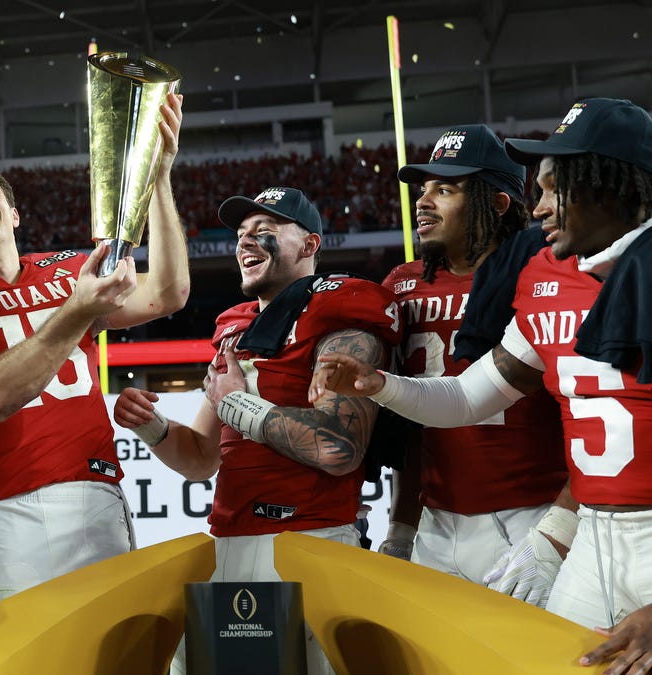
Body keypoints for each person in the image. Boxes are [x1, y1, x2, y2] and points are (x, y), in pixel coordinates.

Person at [309, 98, 652, 675]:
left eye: (552, 187)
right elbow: (470, 397)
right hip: (592, 535)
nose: (537, 206)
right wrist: (380, 384)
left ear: (607, 185)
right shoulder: (544, 275)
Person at [0, 91, 188, 611]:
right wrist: (78, 310)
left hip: (94, 493)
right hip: (6, 509)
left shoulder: (67, 271)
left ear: (14, 215)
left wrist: (158, 179)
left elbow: (168, 292)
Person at [113, 186, 402, 674]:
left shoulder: (340, 311)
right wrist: (153, 427)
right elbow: (203, 457)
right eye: (242, 234)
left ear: (309, 246)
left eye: (264, 232)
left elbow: (339, 446)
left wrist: (239, 404)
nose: (246, 242)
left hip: (307, 542)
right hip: (228, 543)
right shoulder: (234, 329)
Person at [377, 124, 569, 586]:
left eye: (445, 189)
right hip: (435, 520)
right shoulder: (402, 285)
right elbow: (410, 434)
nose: (422, 201)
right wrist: (402, 527)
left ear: (498, 203)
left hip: (530, 514)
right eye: (423, 189)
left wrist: (558, 531)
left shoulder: (544, 273)